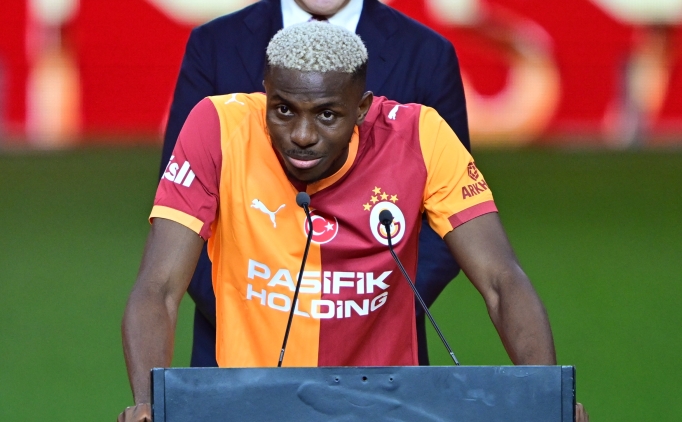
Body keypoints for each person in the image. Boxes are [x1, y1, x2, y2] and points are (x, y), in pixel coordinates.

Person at [119, 22, 557, 421]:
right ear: (265, 93)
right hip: (254, 406)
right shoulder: (217, 126)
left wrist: (548, 396)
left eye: (327, 114)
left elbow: (501, 280)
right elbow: (159, 288)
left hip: (385, 408)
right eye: (283, 110)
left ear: (362, 108)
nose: (302, 135)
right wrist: (146, 404)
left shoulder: (421, 136)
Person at [161, 0, 470, 367]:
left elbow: (450, 213)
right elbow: (181, 200)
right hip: (237, 353)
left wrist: (363, 314)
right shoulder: (214, 42)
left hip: (378, 357)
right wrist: (256, 314)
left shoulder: (428, 53)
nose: (304, 134)